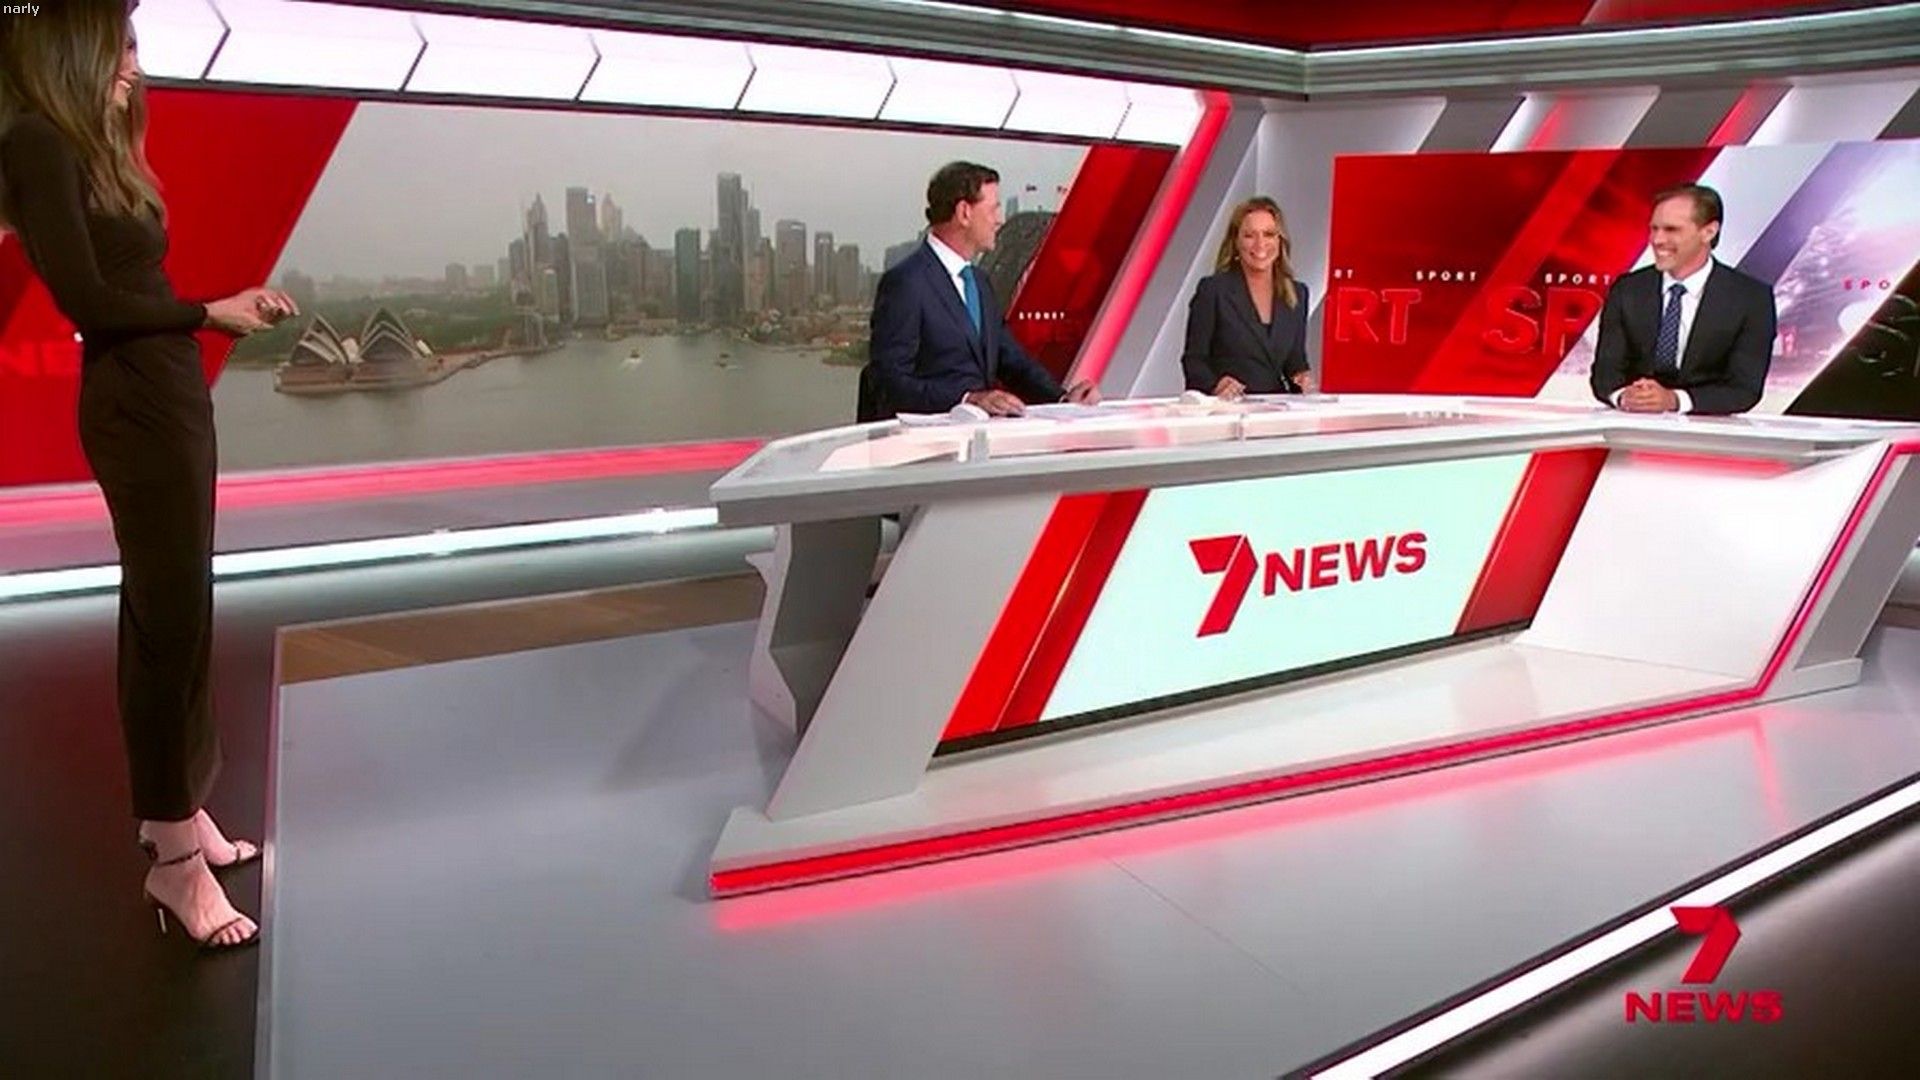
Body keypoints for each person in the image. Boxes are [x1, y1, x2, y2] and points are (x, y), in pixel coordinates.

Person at [0, 1, 297, 949]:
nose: (135, 62)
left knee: (182, 610)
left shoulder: (93, 148)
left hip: (166, 394)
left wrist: (207, 316)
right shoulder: (37, 143)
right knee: (167, 625)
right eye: (121, 44)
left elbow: (131, 283)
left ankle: (181, 808)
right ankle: (172, 862)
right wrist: (211, 312)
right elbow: (89, 301)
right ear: (74, 49)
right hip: (133, 400)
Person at [861, 161, 1099, 420]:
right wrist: (966, 400)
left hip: (977, 439)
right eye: (994, 208)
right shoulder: (907, 283)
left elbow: (1011, 360)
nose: (1000, 220)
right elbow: (888, 382)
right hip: (930, 440)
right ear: (964, 213)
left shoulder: (979, 283)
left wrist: (1063, 399)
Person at [1591, 183, 1776, 415]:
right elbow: (1605, 375)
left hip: (1706, 431)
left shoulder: (1751, 298)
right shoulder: (1628, 290)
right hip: (1632, 424)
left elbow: (1744, 389)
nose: (1657, 240)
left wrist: (1674, 400)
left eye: (1671, 230)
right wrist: (1624, 396)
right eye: (1654, 229)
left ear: (1709, 232)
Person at [1182, 195, 1314, 400]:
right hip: (1228, 409)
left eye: (1269, 234)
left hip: (1275, 409)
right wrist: (1216, 385)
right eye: (1249, 235)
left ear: (1280, 241)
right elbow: (1194, 360)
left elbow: (1295, 361)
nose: (1260, 244)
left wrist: (1302, 379)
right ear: (1236, 242)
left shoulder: (1297, 294)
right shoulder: (1213, 290)